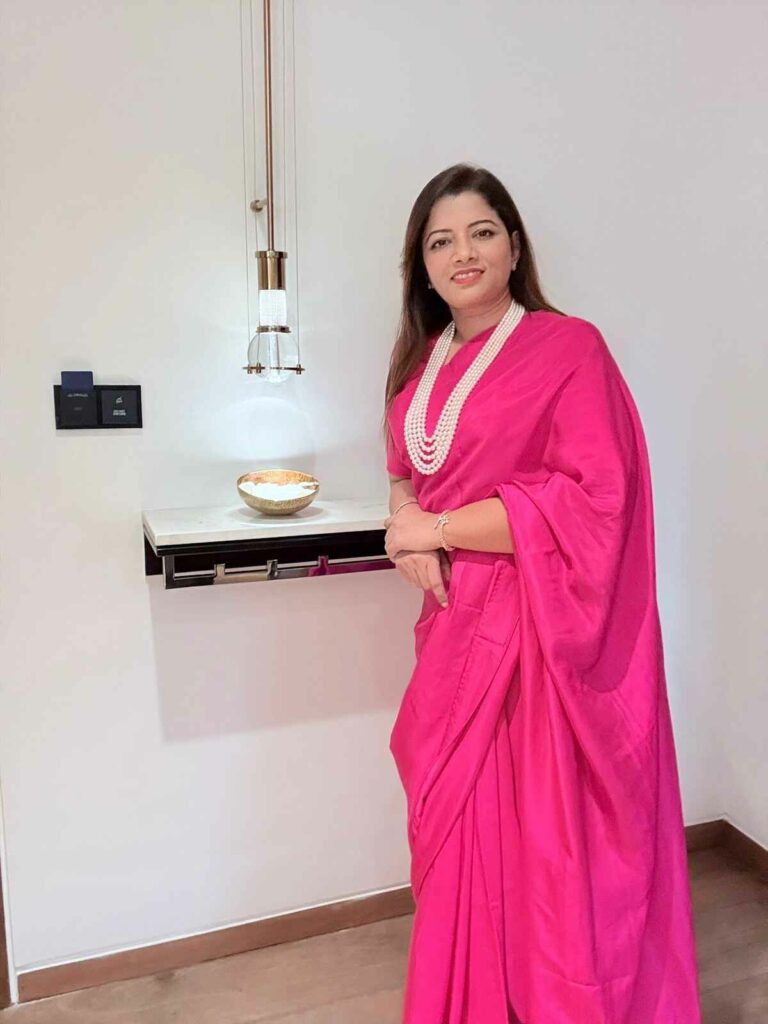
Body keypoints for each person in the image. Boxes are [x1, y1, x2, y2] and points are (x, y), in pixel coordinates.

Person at [381, 163, 702, 1024]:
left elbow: (596, 498)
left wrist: (436, 529)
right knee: (462, 835)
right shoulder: (422, 364)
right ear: (422, 266)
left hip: (539, 635)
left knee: (550, 843)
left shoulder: (569, 349)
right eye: (440, 241)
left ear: (515, 247)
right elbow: (407, 470)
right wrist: (405, 520)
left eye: (482, 232)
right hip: (455, 629)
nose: (463, 253)